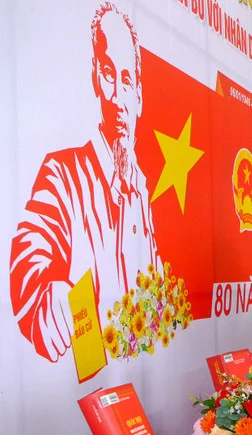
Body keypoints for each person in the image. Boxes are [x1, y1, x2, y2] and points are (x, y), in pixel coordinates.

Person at [9, 2, 159, 362]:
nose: (118, 97)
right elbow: (27, 264)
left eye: (127, 80)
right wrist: (59, 310)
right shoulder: (61, 174)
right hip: (91, 382)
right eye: (108, 73)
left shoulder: (141, 191)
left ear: (139, 96)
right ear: (95, 78)